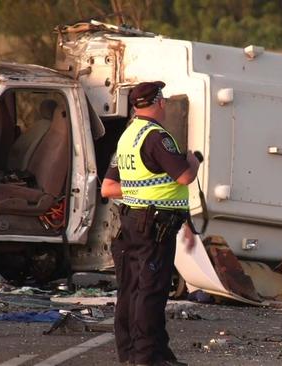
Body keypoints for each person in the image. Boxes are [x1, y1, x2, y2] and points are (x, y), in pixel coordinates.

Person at [101, 81, 200, 366]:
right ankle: (146, 359)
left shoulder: (127, 136)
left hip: (132, 221)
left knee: (131, 290)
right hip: (153, 226)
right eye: (163, 100)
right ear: (158, 102)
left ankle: (140, 355)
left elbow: (109, 187)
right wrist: (193, 161)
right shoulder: (157, 137)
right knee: (150, 292)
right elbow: (183, 177)